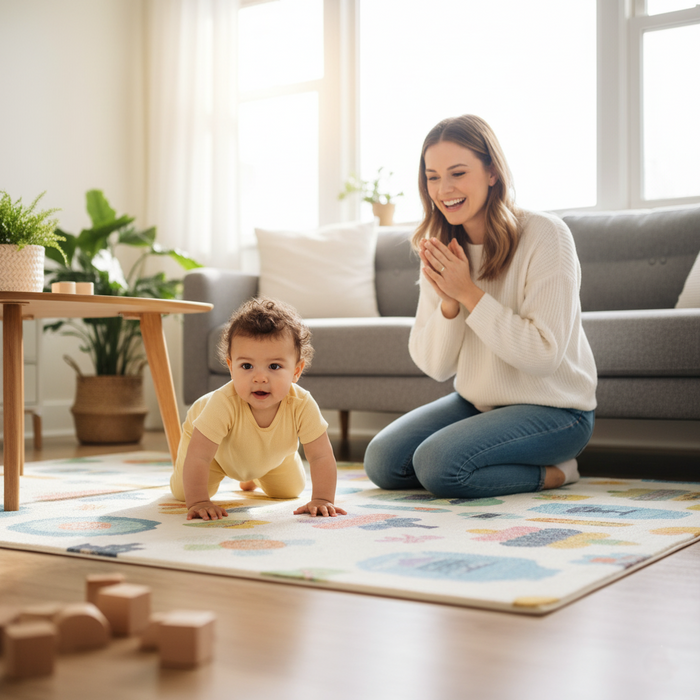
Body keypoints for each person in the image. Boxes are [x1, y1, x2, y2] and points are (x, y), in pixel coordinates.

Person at [364, 114, 597, 499]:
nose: (444, 189)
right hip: (479, 403)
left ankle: (557, 473)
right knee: (383, 461)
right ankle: (502, 461)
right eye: (433, 176)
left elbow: (543, 356)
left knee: (439, 466)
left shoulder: (546, 235)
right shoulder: (439, 245)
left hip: (557, 411)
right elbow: (435, 366)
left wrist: (470, 292)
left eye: (458, 173)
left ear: (492, 172)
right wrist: (451, 304)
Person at [171, 296, 347, 520]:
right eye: (246, 366)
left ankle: (255, 472)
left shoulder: (302, 404)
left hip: (272, 457)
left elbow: (321, 456)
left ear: (296, 371)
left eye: (274, 366)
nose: (260, 378)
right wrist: (199, 501)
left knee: (290, 491)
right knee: (182, 493)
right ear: (231, 367)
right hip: (214, 456)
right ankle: (237, 475)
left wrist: (323, 499)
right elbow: (199, 456)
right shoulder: (222, 403)